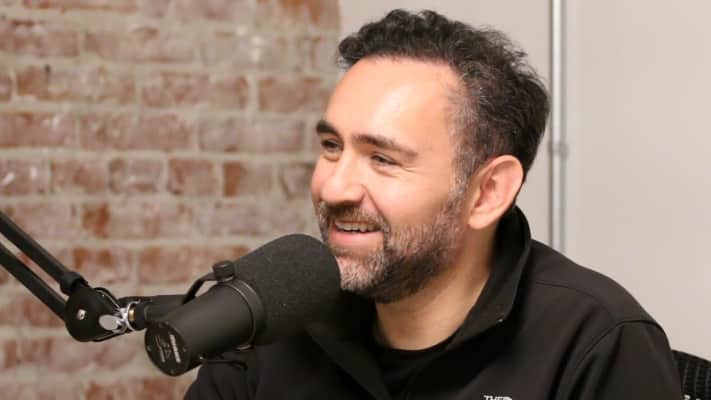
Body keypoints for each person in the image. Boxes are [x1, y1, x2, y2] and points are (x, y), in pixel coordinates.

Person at [185, 9, 682, 399]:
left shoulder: (595, 342)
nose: (334, 188)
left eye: (382, 159)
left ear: (487, 193)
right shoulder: (276, 325)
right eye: (332, 147)